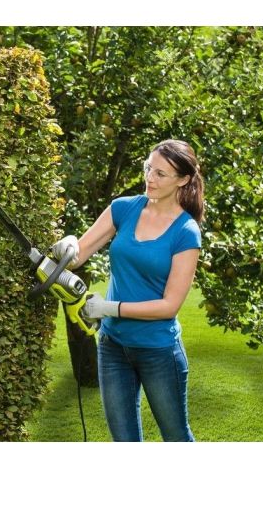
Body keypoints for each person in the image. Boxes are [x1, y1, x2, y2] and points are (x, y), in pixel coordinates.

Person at [52, 139, 204, 442]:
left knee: (176, 437)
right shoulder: (123, 208)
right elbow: (78, 254)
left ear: (183, 180)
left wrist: (109, 308)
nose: (150, 178)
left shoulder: (186, 232)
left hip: (159, 351)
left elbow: (169, 306)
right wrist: (67, 243)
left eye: (160, 174)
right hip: (113, 347)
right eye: (148, 168)